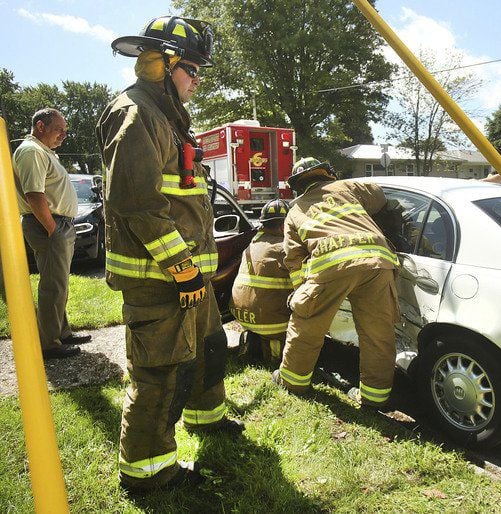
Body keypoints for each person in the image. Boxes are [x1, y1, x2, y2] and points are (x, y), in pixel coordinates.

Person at [97, 15, 243, 494]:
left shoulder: (168, 118)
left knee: (207, 350)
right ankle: (149, 470)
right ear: (165, 63)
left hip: (186, 280)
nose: (199, 80)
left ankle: (207, 418)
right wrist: (182, 269)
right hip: (159, 279)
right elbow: (135, 203)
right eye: (194, 70)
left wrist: (194, 273)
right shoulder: (136, 113)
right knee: (160, 371)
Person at [272, 157, 400, 411]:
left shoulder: (295, 209)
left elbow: (293, 257)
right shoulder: (348, 188)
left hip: (331, 265)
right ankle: (375, 399)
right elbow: (380, 197)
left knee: (307, 325)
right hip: (378, 262)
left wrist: (303, 293)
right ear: (329, 174)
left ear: (297, 185)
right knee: (378, 335)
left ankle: (293, 382)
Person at [13, 108, 92, 360]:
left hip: (57, 224)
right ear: (40, 126)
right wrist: (53, 229)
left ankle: (61, 332)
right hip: (48, 225)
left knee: (59, 282)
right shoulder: (31, 151)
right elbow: (34, 195)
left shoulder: (44, 152)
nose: (63, 136)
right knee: (53, 285)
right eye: (59, 130)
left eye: (65, 132)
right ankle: (49, 344)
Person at [230, 199, 292, 365]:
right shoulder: (285, 248)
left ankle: (254, 344)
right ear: (283, 226)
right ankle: (275, 353)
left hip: (241, 316)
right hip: (272, 323)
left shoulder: (252, 244)